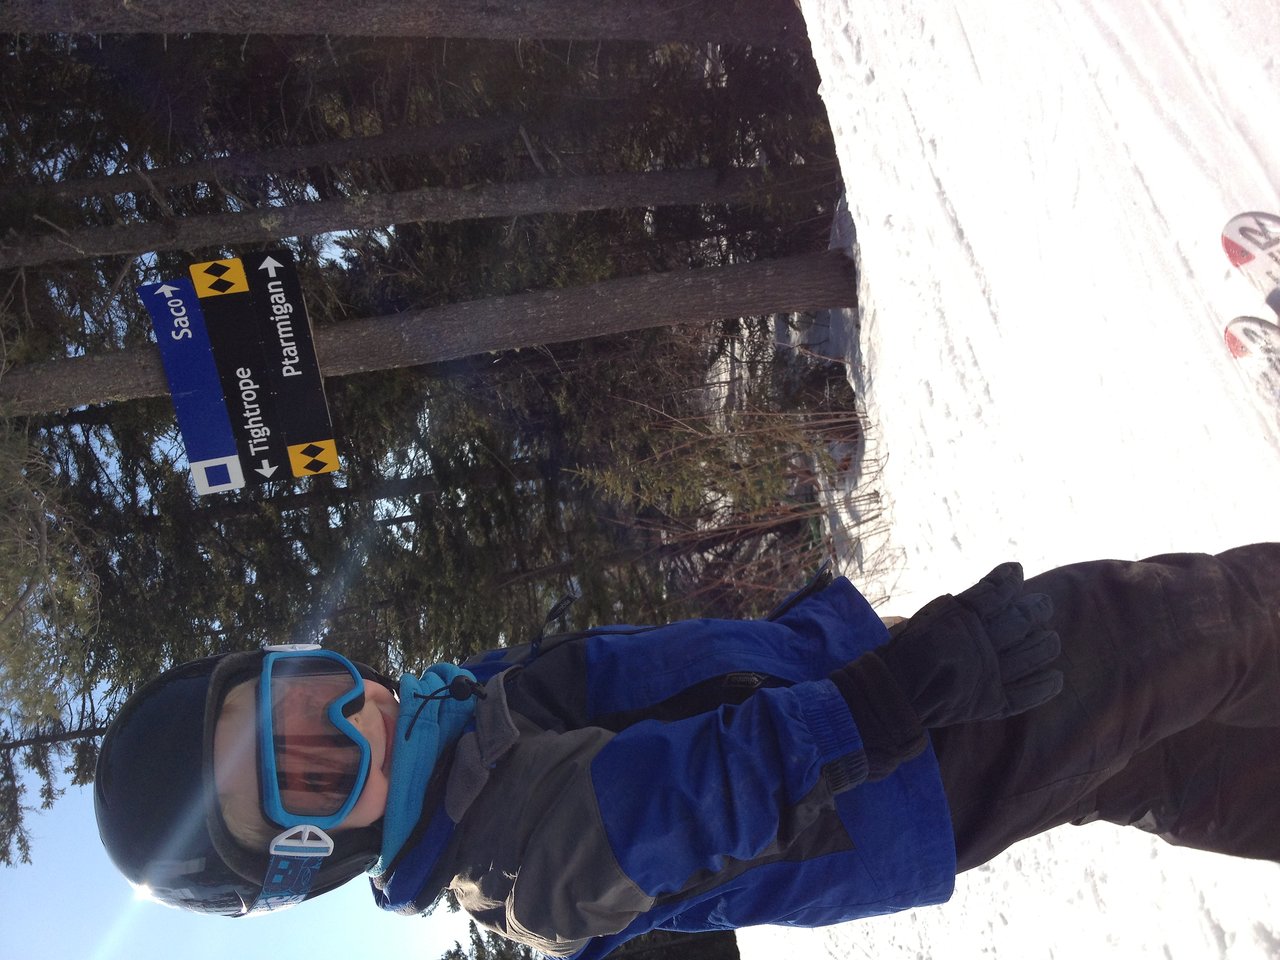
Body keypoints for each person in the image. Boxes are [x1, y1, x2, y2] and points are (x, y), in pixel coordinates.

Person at [93, 544, 1280, 958]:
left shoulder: (467, 736)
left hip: (890, 734)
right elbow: (700, 798)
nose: (353, 717)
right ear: (315, 851)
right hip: (902, 753)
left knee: (1161, 761)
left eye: (308, 689)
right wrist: (895, 693)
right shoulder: (511, 856)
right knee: (1184, 629)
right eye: (314, 769)